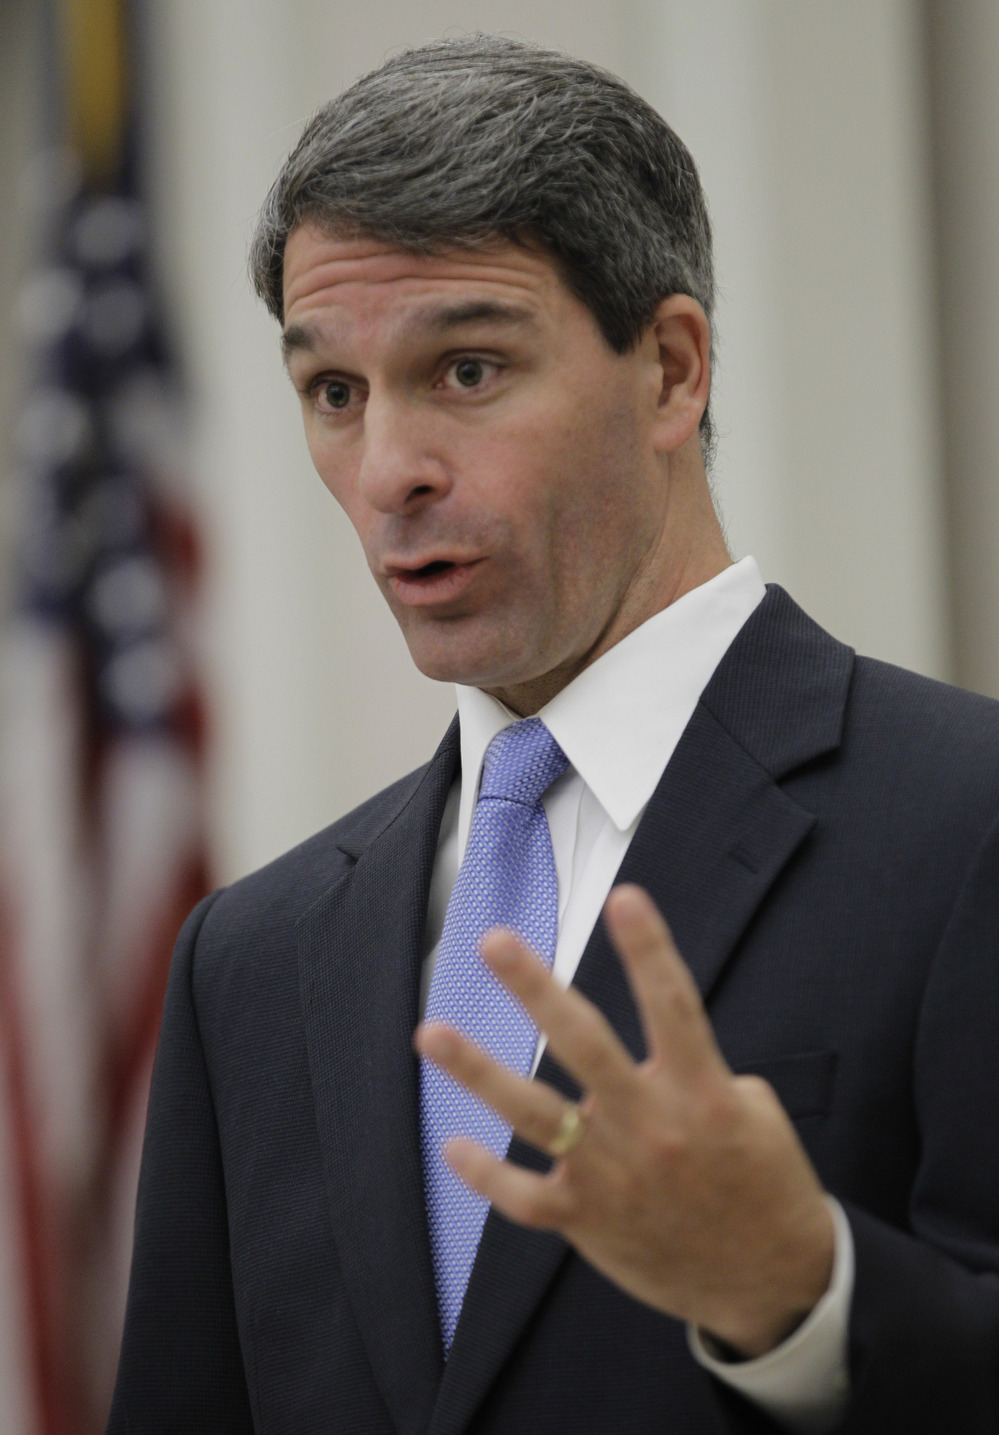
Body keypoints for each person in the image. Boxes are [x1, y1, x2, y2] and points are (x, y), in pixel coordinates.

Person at [108, 36, 999, 1435]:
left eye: (466, 370)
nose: (389, 469)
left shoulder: (969, 822)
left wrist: (806, 1300)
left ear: (672, 372)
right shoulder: (254, 959)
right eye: (333, 392)